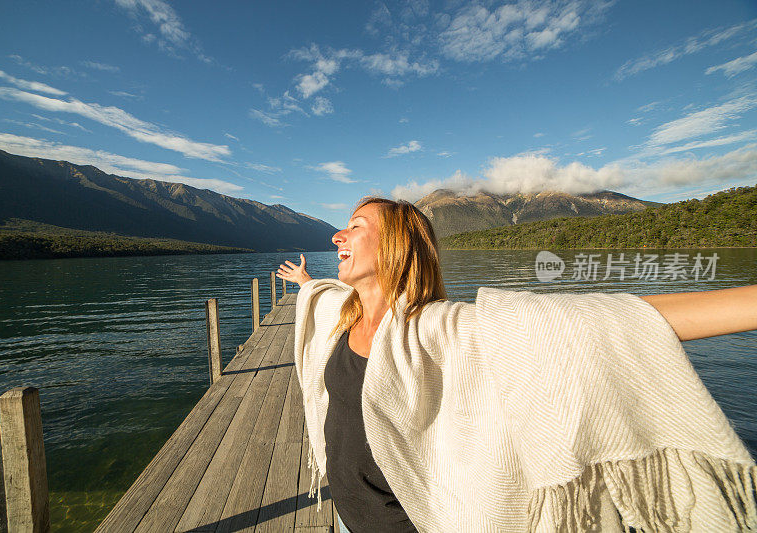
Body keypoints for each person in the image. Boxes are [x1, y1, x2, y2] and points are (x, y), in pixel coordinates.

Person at [277, 196, 757, 533]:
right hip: (346, 513)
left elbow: (595, 322)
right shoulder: (343, 313)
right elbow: (319, 297)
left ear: (395, 245)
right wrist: (304, 281)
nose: (338, 233)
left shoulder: (436, 331)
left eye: (356, 226)